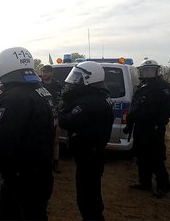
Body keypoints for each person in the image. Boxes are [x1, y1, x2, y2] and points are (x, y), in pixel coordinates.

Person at [0, 47, 57, 220]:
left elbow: (2, 136)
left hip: (23, 176)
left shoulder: (15, 97)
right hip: (38, 171)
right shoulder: (41, 91)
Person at [58, 61, 114, 220]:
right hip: (92, 152)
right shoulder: (97, 96)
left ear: (89, 78)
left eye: (78, 77)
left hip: (89, 155)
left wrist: (60, 111)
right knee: (91, 193)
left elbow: (67, 121)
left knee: (87, 197)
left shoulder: (91, 102)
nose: (74, 81)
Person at [124, 59, 170, 198]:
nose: (148, 73)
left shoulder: (164, 87)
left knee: (156, 158)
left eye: (151, 70)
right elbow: (135, 107)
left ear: (157, 71)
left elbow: (168, 109)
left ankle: (163, 187)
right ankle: (144, 183)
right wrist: (129, 124)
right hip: (140, 128)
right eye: (145, 70)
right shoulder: (142, 86)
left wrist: (159, 123)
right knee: (141, 156)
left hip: (154, 129)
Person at [40, 64, 64, 173]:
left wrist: (60, 103)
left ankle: (56, 163)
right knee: (42, 140)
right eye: (43, 72)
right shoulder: (38, 84)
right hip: (42, 116)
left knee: (55, 141)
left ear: (51, 73)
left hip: (55, 115)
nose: (44, 74)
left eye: (46, 72)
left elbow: (63, 98)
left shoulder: (57, 85)